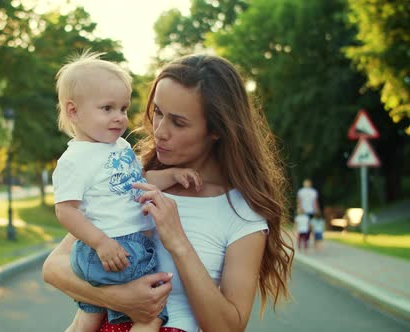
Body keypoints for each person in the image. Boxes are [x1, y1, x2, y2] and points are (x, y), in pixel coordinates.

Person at [43, 54, 294, 332]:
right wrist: (119, 299)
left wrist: (178, 242)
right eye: (158, 112)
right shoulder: (129, 179)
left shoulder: (242, 213)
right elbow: (54, 268)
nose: (160, 131)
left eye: (178, 122)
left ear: (216, 130)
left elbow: (228, 328)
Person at [53, 51, 203, 332]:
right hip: (115, 248)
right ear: (73, 111)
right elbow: (65, 210)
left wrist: (172, 175)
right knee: (152, 312)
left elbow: (138, 181)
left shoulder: (118, 147)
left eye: (123, 109)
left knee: (90, 314)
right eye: (107, 108)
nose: (119, 118)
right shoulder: (74, 159)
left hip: (120, 246)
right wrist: (100, 243)